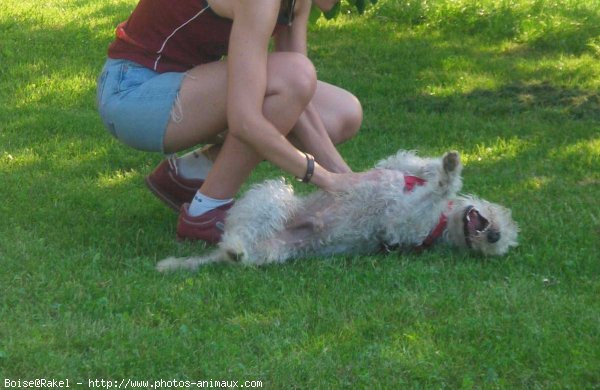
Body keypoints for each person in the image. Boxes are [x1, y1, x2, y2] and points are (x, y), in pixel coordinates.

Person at [96, 0, 368, 244]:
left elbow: (298, 102)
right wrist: (325, 179)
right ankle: (206, 210)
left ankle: (192, 174)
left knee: (342, 113)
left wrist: (350, 181)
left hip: (186, 87)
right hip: (133, 92)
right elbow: (245, 121)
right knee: (295, 75)